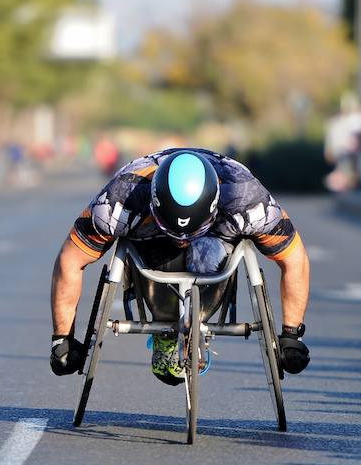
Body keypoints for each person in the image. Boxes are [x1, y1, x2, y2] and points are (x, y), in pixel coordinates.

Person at [49, 148, 311, 385]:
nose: (182, 241)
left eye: (189, 232)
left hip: (216, 246)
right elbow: (71, 259)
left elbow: (293, 258)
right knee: (159, 251)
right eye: (175, 232)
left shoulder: (247, 198)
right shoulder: (119, 201)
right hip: (150, 246)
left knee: (204, 252)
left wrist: (291, 335)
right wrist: (62, 339)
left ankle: (194, 322)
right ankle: (165, 325)